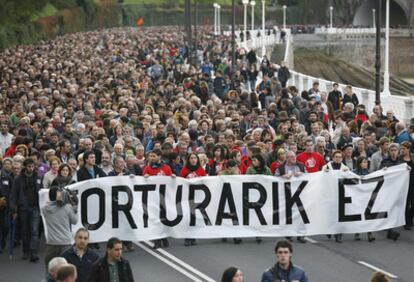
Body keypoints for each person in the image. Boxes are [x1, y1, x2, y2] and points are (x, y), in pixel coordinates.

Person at [10, 158, 42, 262]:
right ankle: (26, 251)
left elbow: (41, 191)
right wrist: (13, 209)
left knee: (34, 230)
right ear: (25, 167)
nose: (31, 168)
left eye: (32, 166)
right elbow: (14, 194)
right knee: (25, 230)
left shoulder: (38, 177)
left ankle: (33, 252)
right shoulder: (18, 179)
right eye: (29, 166)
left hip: (35, 207)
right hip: (23, 207)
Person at [143, 149, 175, 249]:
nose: (151, 158)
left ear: (159, 157)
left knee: (163, 217)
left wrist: (173, 177)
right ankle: (157, 240)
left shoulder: (166, 168)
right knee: (155, 219)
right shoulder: (148, 168)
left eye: (154, 156)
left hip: (164, 197)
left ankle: (163, 237)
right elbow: (141, 182)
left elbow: (171, 183)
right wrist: (145, 177)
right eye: (150, 156)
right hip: (153, 198)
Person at [42, 186, 78, 270]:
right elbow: (75, 221)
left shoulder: (45, 209)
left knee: (50, 269)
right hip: (65, 242)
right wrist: (75, 208)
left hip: (51, 243)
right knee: (65, 270)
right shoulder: (67, 207)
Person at [323, 150, 348, 243]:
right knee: (330, 214)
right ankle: (329, 230)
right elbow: (321, 178)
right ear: (333, 157)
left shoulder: (345, 168)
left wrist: (347, 173)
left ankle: (338, 234)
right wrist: (324, 172)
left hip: (340, 194)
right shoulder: (326, 167)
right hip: (329, 194)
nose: (338, 158)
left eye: (340, 157)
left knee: (339, 215)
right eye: (336, 157)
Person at [380, 143, 403, 241]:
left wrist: (408, 169)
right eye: (392, 150)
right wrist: (383, 170)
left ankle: (392, 229)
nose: (393, 152)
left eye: (395, 150)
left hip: (398, 189)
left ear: (398, 152)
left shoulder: (401, 162)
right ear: (389, 152)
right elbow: (379, 173)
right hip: (388, 188)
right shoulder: (385, 161)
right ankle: (390, 229)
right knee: (388, 208)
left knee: (396, 208)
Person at [353, 156, 376, 242]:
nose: (366, 164)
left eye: (366, 162)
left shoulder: (368, 173)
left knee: (367, 214)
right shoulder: (354, 172)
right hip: (357, 196)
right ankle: (357, 233)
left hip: (366, 196)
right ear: (359, 163)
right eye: (364, 162)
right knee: (358, 215)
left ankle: (369, 233)